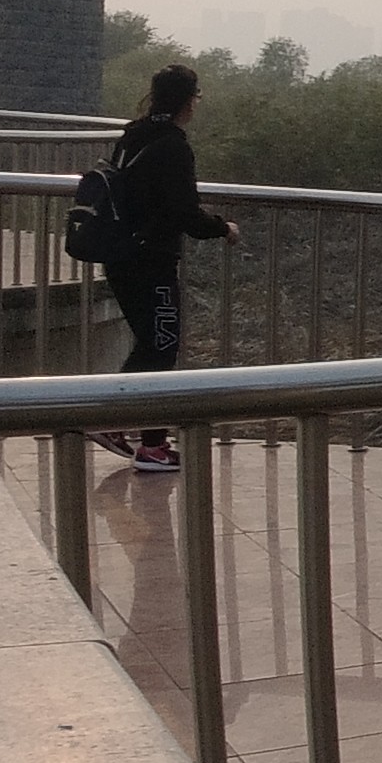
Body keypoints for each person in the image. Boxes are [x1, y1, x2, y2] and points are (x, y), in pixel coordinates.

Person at [100, 64, 236, 473]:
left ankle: (141, 435)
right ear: (187, 100)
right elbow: (183, 212)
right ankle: (134, 435)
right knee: (161, 345)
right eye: (195, 97)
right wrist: (222, 228)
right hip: (151, 262)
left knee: (151, 343)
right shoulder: (173, 145)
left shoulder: (132, 135)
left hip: (121, 255)